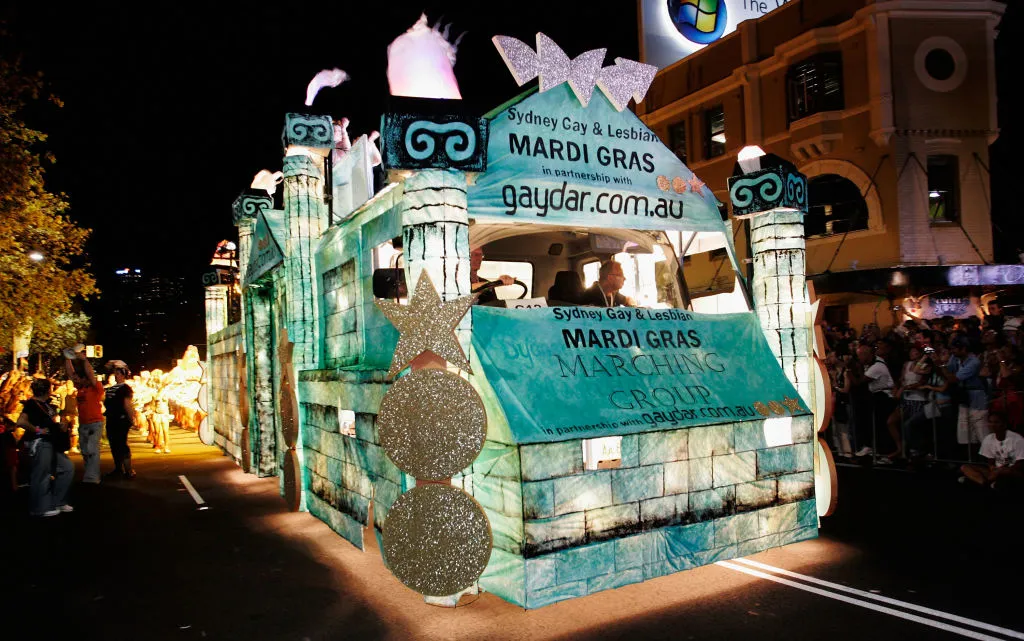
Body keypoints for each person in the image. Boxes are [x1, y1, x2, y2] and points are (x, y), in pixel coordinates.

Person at [16, 378, 73, 517]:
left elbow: (55, 419)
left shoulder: (47, 405)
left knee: (67, 468)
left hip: (51, 442)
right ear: (47, 390)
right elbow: (21, 421)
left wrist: (62, 425)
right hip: (40, 442)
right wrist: (38, 430)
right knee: (41, 475)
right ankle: (39, 507)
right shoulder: (31, 404)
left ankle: (57, 501)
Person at [66, 349, 104, 484]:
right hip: (83, 424)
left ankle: (93, 477)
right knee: (85, 451)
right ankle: (90, 474)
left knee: (92, 449)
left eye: (80, 378)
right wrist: (68, 358)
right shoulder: (80, 388)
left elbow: (90, 374)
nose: (77, 380)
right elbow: (71, 374)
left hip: (95, 422)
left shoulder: (96, 387)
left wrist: (84, 360)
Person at [850, 344, 895, 458]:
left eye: (859, 356)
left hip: (883, 397)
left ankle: (885, 453)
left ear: (865, 354)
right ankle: (876, 449)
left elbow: (860, 381)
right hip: (877, 396)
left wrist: (849, 372)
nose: (858, 359)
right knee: (876, 424)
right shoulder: (873, 364)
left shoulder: (877, 367)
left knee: (881, 425)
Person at [959, 413, 1024, 489]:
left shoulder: (1017, 439)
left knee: (1002, 472)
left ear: (1004, 424)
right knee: (965, 467)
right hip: (995, 472)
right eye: (990, 422)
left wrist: (1002, 469)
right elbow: (991, 460)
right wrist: (992, 467)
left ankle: (978, 481)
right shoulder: (988, 439)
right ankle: (985, 483)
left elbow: (1020, 464)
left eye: (996, 422)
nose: (992, 425)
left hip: (1012, 471)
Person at [104, 361, 137, 480]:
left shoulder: (125, 388)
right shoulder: (110, 389)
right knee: (114, 445)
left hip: (121, 420)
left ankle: (128, 469)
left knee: (122, 444)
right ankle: (118, 468)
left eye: (118, 373)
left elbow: (127, 404)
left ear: (123, 375)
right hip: (111, 419)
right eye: (115, 373)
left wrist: (132, 418)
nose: (116, 375)